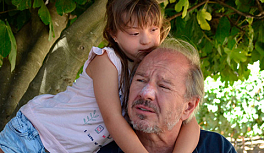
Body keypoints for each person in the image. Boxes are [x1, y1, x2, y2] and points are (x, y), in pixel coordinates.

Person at [0, 0, 200, 153]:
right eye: (135, 33)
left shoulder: (147, 70)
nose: (147, 40)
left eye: (153, 29)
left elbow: (189, 121)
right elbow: (112, 119)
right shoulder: (108, 61)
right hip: (34, 135)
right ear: (114, 35)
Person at [98, 38, 237, 153]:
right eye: (140, 80)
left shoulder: (217, 148)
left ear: (188, 107)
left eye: (163, 86)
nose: (145, 93)